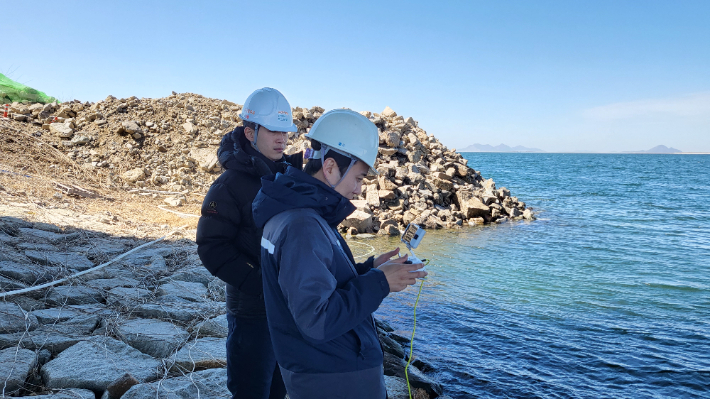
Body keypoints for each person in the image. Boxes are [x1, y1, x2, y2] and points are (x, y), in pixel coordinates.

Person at [252, 109, 427, 399]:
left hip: (326, 372)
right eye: (358, 178)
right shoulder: (302, 226)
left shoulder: (300, 215)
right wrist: (380, 283)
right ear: (331, 167)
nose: (359, 190)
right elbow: (317, 320)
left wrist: (370, 268)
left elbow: (318, 281)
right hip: (332, 380)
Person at [196, 87, 302, 399]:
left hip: (286, 310)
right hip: (251, 313)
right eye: (273, 131)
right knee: (251, 392)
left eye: (285, 131)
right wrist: (261, 283)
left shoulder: (286, 176)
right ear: (250, 131)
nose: (282, 138)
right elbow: (211, 246)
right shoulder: (229, 184)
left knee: (279, 392)